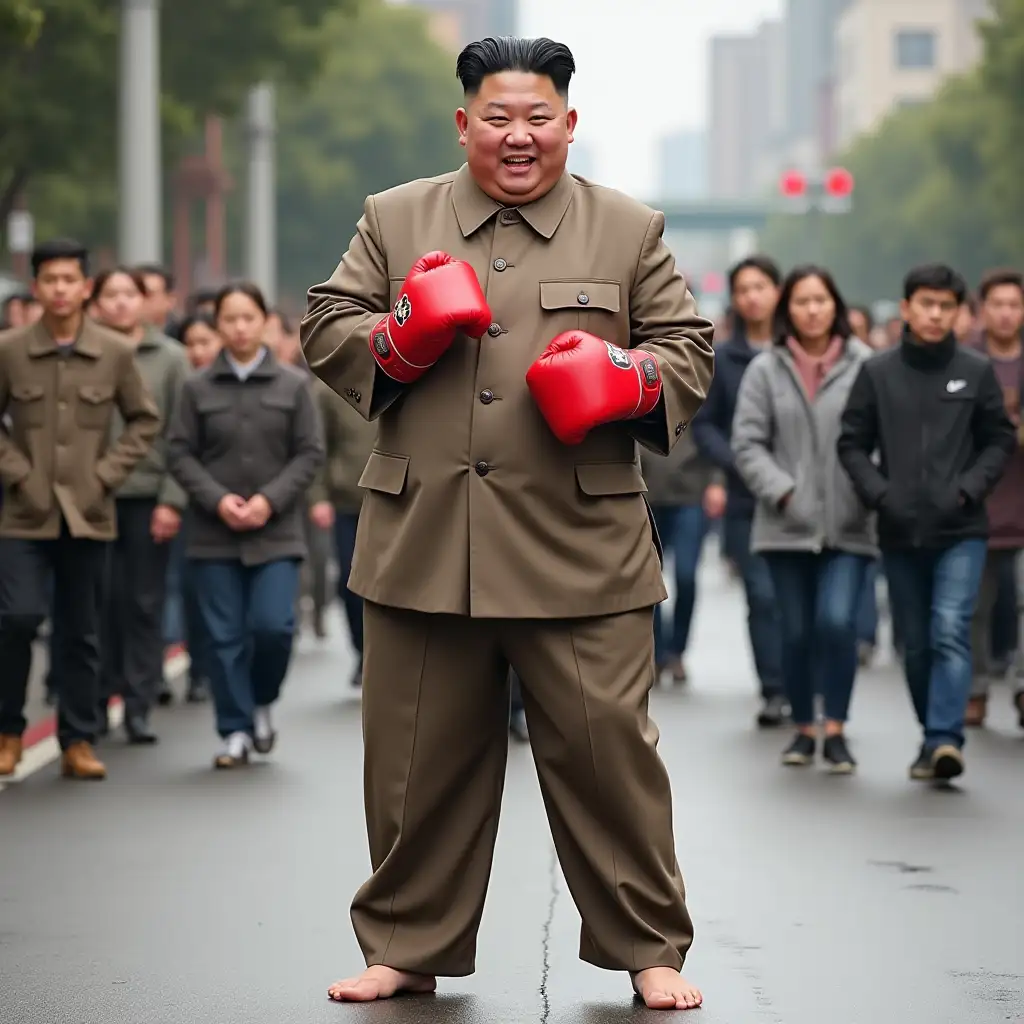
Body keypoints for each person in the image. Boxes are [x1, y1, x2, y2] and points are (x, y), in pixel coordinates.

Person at [300, 36, 714, 1013]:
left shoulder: (628, 228)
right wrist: (397, 332)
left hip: (582, 547)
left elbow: (688, 351)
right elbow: (326, 325)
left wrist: (627, 377)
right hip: (425, 539)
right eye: (498, 118)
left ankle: (649, 946)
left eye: (537, 118)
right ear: (464, 124)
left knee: (610, 757)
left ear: (569, 123)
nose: (517, 136)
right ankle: (405, 941)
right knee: (413, 766)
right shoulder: (394, 216)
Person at [838, 263, 1015, 782]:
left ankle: (944, 739)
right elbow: (851, 442)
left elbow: (998, 439)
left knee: (949, 630)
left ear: (959, 313)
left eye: (946, 306)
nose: (935, 315)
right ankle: (931, 733)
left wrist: (970, 487)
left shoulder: (976, 371)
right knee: (914, 644)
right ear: (908, 307)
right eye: (926, 304)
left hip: (961, 529)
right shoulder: (877, 372)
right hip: (899, 530)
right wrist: (880, 493)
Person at [0, 238, 160, 780]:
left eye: (70, 280)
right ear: (37, 285)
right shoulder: (10, 349)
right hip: (23, 513)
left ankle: (78, 737)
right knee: (17, 619)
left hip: (87, 513)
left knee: (81, 629)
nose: (61, 290)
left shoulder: (114, 353)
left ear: (85, 287)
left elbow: (144, 421)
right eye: (50, 280)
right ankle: (8, 731)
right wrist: (19, 473)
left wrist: (105, 476)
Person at [167, 283, 323, 769]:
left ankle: (261, 700)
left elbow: (309, 453)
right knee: (223, 636)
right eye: (229, 319)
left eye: (247, 318)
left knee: (273, 628)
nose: (238, 327)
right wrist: (218, 501)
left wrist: (268, 501)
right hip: (214, 535)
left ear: (264, 323)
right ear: (217, 326)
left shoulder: (293, 385)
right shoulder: (196, 388)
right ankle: (233, 729)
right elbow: (178, 452)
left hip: (275, 534)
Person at [732, 266, 875, 772]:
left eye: (821, 300)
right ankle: (802, 727)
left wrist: (868, 490)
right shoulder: (766, 369)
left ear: (835, 305)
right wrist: (783, 490)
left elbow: (884, 438)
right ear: (786, 309)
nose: (812, 309)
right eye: (801, 301)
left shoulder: (866, 366)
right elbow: (747, 442)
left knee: (837, 623)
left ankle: (834, 729)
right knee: (793, 631)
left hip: (850, 522)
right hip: (785, 524)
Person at [89, 267, 189, 743]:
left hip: (148, 497)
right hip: (87, 498)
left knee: (144, 603)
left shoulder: (171, 359)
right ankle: (97, 695)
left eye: (132, 294)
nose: (123, 303)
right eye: (112, 294)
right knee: (96, 601)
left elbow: (182, 436)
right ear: (96, 303)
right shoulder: (82, 354)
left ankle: (139, 702)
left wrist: (172, 499)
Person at [691, 255, 787, 727]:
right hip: (748, 498)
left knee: (803, 601)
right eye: (743, 289)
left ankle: (804, 686)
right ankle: (774, 688)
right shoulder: (722, 357)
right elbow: (705, 426)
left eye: (762, 286)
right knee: (762, 595)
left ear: (778, 290)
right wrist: (736, 464)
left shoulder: (802, 350)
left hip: (808, 496)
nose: (753, 296)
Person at [964, 268, 1024, 729]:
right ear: (982, 310)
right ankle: (977, 689)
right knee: (975, 609)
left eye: (1014, 304)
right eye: (997, 304)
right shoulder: (966, 364)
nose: (1006, 313)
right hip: (977, 506)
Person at [307, 377, 377, 680]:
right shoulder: (328, 389)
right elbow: (316, 447)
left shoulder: (406, 371)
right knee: (352, 582)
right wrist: (318, 497)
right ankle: (363, 651)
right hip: (347, 501)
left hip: (397, 499)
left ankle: (386, 656)